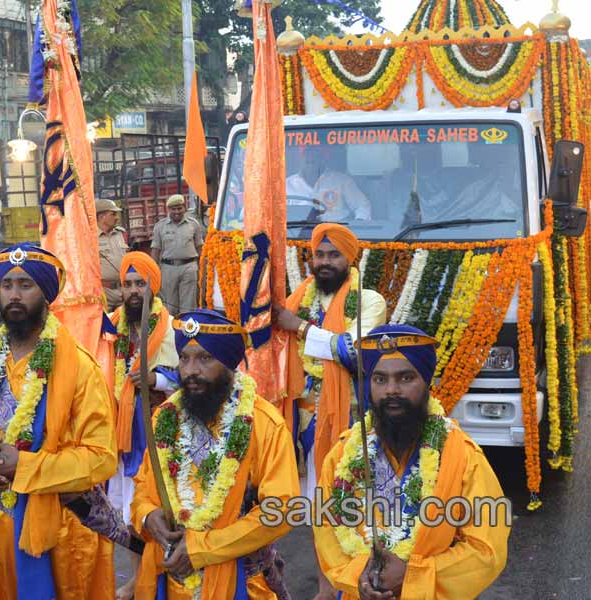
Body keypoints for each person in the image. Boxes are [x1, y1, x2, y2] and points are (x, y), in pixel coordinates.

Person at [0, 243, 117, 600]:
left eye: (26, 285)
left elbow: (101, 457)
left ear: (46, 294)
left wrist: (25, 466)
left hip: (59, 533)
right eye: (7, 285)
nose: (13, 295)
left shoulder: (79, 368)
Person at [313, 324, 510, 599]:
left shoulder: (461, 454)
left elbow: (486, 549)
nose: (391, 390)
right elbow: (327, 529)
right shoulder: (343, 454)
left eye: (405, 378)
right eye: (380, 379)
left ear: (427, 383)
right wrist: (359, 576)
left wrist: (412, 574)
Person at [131, 309, 300, 599]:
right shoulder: (165, 417)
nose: (190, 370)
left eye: (204, 358)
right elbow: (144, 487)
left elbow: (281, 510)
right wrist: (148, 516)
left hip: (241, 585)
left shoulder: (263, 423)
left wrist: (203, 548)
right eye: (184, 358)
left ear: (228, 364)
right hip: (170, 582)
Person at [273, 223, 387, 600]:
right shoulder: (299, 298)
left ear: (349, 258)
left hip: (349, 421)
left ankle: (361, 583)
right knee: (319, 510)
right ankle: (325, 587)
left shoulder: (369, 301)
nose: (324, 262)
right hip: (305, 423)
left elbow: (353, 351)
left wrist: (301, 328)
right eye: (319, 254)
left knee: (352, 508)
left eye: (333, 255)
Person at [104, 252, 179, 599]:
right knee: (126, 511)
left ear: (153, 285)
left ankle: (148, 580)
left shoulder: (169, 326)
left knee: (150, 505)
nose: (134, 291)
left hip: (152, 427)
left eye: (140, 283)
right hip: (119, 430)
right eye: (127, 284)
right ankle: (138, 578)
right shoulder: (112, 324)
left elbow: (186, 376)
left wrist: (155, 378)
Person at [286, 147, 371, 222]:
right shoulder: (286, 185)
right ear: (300, 158)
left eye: (316, 154)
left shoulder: (342, 181)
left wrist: (358, 225)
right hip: (297, 235)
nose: (310, 157)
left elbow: (362, 206)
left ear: (324, 159)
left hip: (335, 234)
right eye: (306, 154)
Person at [152, 194, 203, 315]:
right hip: (168, 269)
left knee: (188, 305)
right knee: (169, 306)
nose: (177, 212)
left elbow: (200, 247)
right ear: (168, 209)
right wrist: (154, 271)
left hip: (189, 268)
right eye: (173, 209)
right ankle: (171, 332)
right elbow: (155, 250)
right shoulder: (160, 226)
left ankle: (187, 331)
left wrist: (202, 269)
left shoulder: (193, 224)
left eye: (179, 208)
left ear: (184, 208)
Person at [97, 198, 129, 311]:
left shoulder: (120, 233)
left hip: (123, 290)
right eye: (113, 214)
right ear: (102, 217)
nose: (117, 218)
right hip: (103, 292)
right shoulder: (90, 237)